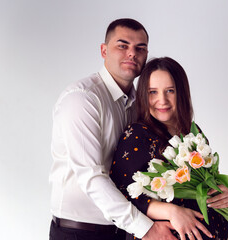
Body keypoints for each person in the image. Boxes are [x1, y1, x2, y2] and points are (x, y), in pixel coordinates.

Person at [49, 18, 179, 240]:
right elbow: (92, 176)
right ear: (103, 50)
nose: (132, 53)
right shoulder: (82, 99)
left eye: (140, 48)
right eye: (123, 45)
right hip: (80, 231)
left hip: (124, 230)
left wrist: (215, 192)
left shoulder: (142, 101)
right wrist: (146, 228)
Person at [110, 57, 228, 240]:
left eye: (170, 91)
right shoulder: (138, 135)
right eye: (153, 92)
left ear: (182, 93)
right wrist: (172, 211)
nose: (162, 100)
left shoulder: (193, 133)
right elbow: (121, 195)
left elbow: (207, 184)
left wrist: (226, 195)